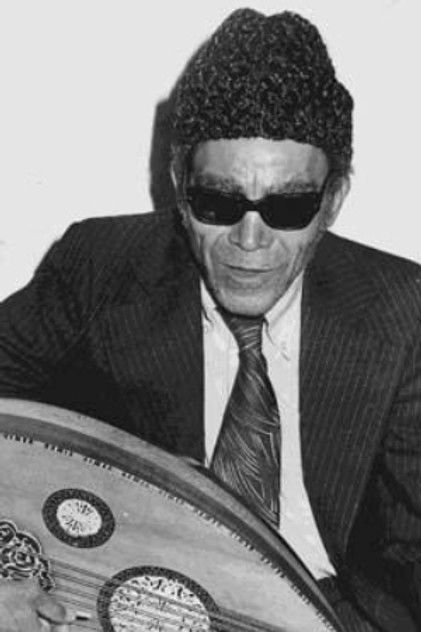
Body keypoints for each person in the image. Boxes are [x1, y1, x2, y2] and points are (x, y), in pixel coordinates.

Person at [0, 8, 420, 632]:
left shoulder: (403, 314)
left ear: (333, 200)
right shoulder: (99, 268)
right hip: (127, 598)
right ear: (179, 185)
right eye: (218, 202)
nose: (249, 240)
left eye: (288, 207)